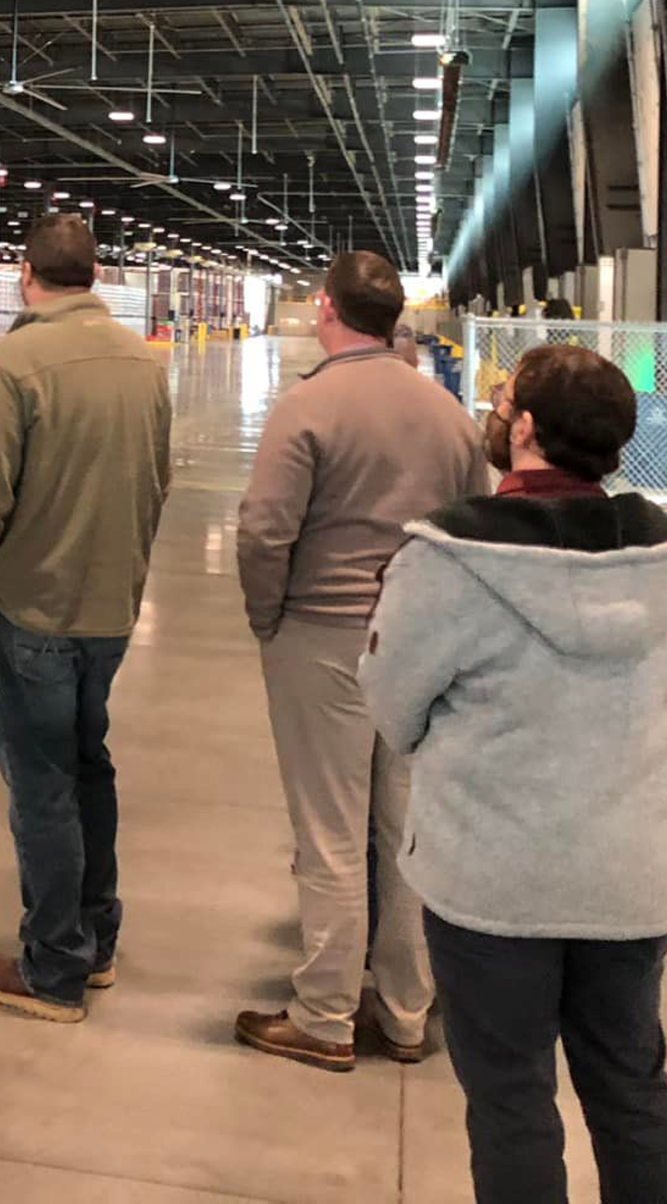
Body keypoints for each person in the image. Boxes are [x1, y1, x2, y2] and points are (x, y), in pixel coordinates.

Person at [363, 344, 667, 1201]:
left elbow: (393, 704)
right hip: (629, 876)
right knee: (632, 1090)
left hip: (492, 880)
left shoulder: (447, 555)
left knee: (512, 1098)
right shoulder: (665, 553)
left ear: (522, 427)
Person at [234, 250, 487, 1072]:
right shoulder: (447, 412)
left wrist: (268, 615)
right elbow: (472, 526)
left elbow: (265, 530)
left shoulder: (309, 406)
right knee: (404, 830)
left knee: (329, 831)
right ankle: (408, 1008)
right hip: (418, 640)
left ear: (328, 311)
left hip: (325, 634)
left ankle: (324, 1012)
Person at [0, 214, 173, 1023]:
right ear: (98, 273)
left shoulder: (14, 362)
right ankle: (96, 935)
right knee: (89, 766)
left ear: (25, 273)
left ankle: (53, 965)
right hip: (110, 607)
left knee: (41, 785)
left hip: (31, 607)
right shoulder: (143, 362)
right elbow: (157, 479)